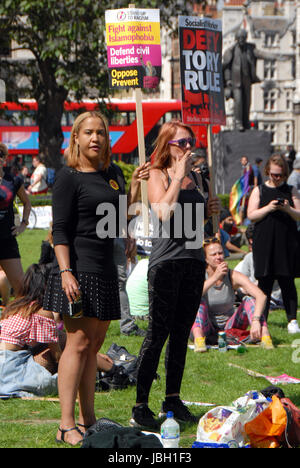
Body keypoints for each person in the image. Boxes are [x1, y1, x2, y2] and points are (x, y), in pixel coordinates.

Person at [130, 120, 220, 430]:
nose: (187, 147)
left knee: (181, 335)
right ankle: (140, 404)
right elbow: (164, 213)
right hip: (166, 262)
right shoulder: (158, 174)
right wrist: (178, 174)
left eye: (190, 141)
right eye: (181, 142)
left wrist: (207, 213)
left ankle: (172, 398)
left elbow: (193, 222)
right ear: (168, 145)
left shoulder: (197, 177)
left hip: (193, 261)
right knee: (158, 334)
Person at [42, 111, 123, 446]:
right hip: (77, 271)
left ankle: (89, 420)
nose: (95, 138)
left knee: (93, 347)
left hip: (106, 269)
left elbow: (114, 218)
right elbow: (58, 230)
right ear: (76, 137)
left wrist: (127, 228)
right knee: (76, 345)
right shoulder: (68, 177)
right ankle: (65, 425)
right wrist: (65, 272)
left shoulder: (114, 173)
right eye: (88, 132)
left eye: (101, 133)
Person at [247, 153, 300, 333]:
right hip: (265, 241)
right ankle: (262, 320)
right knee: (265, 281)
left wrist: (287, 208)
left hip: (286, 242)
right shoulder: (259, 190)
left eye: (280, 175)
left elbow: (299, 214)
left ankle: (292, 319)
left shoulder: (291, 190)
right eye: (274, 175)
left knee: (287, 281)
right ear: (268, 171)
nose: (277, 179)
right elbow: (251, 215)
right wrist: (269, 208)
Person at [191, 237, 273, 353]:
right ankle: (199, 341)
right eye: (213, 254)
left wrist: (255, 320)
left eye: (220, 253)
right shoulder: (199, 275)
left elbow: (261, 296)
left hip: (229, 326)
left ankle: (265, 336)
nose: (218, 257)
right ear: (206, 259)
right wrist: (215, 277)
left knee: (249, 300)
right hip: (205, 326)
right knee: (198, 303)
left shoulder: (232, 275)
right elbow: (191, 298)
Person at [0, 264, 60, 397]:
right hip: (12, 369)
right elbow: (57, 355)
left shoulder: (13, 307)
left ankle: (108, 367)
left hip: (3, 364)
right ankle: (110, 369)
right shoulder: (41, 312)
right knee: (69, 345)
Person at [223, 28, 287, 131]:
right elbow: (226, 67)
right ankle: (238, 123)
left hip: (247, 81)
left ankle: (245, 122)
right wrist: (227, 81)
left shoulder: (250, 49)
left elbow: (262, 54)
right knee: (238, 101)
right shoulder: (231, 51)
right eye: (240, 38)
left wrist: (275, 56)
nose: (241, 40)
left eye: (243, 38)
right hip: (235, 82)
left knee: (247, 102)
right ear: (236, 39)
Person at [0, 142, 31, 296]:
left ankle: (19, 319)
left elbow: (27, 203)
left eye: (0, 155)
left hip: (7, 240)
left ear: (4, 158)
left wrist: (23, 224)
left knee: (21, 288)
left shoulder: (13, 180)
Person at [234, 223, 283, 309]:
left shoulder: (275, 256)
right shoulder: (249, 257)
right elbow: (241, 278)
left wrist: (249, 288)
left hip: (271, 297)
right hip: (251, 292)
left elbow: (265, 282)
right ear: (251, 241)